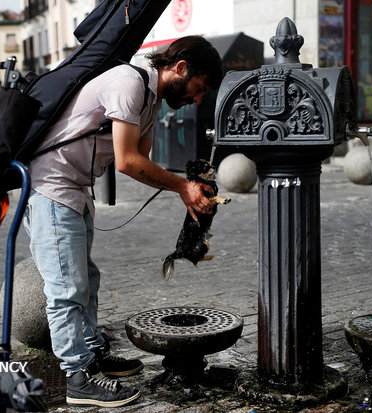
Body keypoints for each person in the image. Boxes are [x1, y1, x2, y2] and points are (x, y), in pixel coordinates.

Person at [23, 35, 223, 408]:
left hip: (75, 188)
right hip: (50, 185)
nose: (198, 100)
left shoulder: (150, 99)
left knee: (86, 278)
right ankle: (77, 378)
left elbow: (140, 162)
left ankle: (92, 356)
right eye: (198, 89)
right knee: (67, 287)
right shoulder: (129, 83)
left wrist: (189, 186)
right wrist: (181, 186)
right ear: (180, 68)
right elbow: (127, 161)